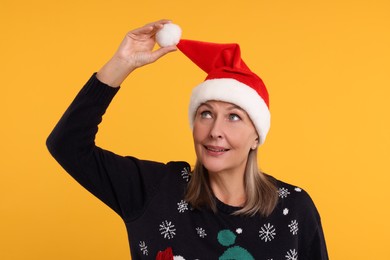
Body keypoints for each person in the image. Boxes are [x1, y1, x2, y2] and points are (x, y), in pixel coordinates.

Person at [46, 19, 328, 259]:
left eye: (233, 117)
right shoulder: (155, 190)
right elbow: (67, 145)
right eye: (206, 114)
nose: (215, 130)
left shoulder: (294, 208)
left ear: (257, 136)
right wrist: (122, 63)